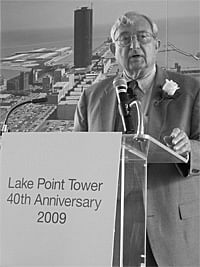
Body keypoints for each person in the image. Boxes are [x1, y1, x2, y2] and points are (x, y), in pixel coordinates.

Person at [74, 11, 200, 267]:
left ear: (157, 44)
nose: (134, 46)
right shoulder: (91, 96)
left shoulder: (191, 90)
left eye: (142, 37)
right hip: (112, 231)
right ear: (112, 48)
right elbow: (78, 157)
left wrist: (189, 149)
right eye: (124, 40)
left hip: (172, 229)